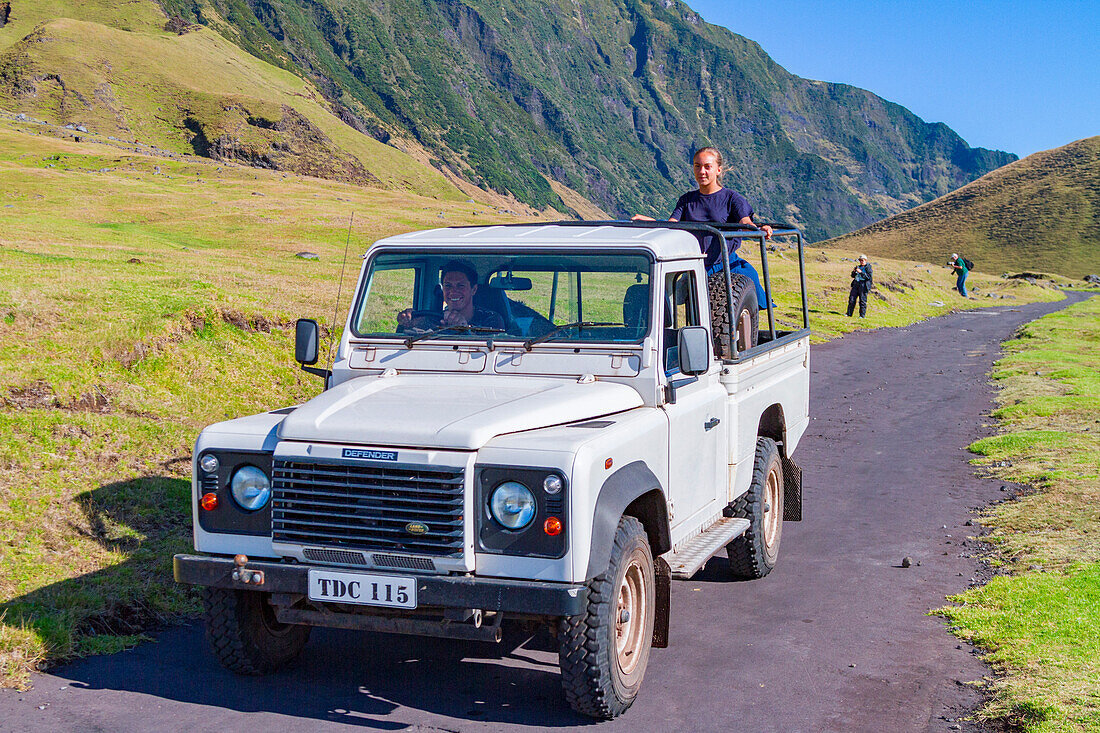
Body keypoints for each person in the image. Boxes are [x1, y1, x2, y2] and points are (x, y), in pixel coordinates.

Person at [633, 147, 772, 302]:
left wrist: (759, 229)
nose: (701, 171)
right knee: (664, 298)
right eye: (697, 166)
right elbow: (672, 225)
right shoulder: (687, 199)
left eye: (707, 166)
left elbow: (745, 221)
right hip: (694, 266)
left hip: (726, 264)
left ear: (718, 170)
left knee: (744, 298)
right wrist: (650, 222)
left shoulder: (732, 198)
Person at [397, 260, 505, 331]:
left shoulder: (490, 319)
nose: (453, 291)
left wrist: (464, 329)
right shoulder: (433, 319)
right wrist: (407, 320)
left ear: (474, 289)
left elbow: (490, 351)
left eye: (460, 285)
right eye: (448, 286)